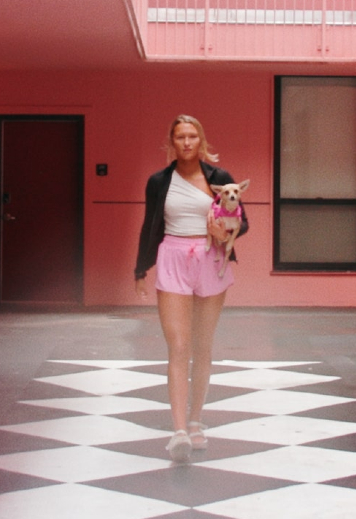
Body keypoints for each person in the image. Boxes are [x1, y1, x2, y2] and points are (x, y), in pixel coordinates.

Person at [134, 115, 248, 462]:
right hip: (172, 258)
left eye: (192, 137)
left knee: (202, 344)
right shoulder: (158, 181)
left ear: (201, 141)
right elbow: (149, 224)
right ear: (172, 142)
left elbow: (242, 223)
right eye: (180, 137)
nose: (186, 143)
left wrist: (224, 235)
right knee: (179, 346)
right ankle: (179, 430)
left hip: (210, 259)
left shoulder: (220, 179)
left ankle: (197, 420)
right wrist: (141, 267)